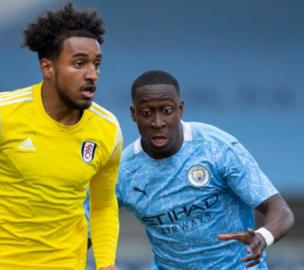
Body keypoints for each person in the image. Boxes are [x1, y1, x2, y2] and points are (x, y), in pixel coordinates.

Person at [0, 3, 121, 270]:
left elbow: (103, 203)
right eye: (79, 63)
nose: (92, 74)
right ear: (47, 68)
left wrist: (106, 264)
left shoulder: (108, 129)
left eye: (97, 64)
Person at [114, 70, 294, 269]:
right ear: (133, 114)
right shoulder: (124, 173)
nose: (158, 123)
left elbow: (281, 212)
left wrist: (263, 236)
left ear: (180, 109)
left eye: (166, 110)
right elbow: (88, 229)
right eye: (147, 113)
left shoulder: (217, 148)